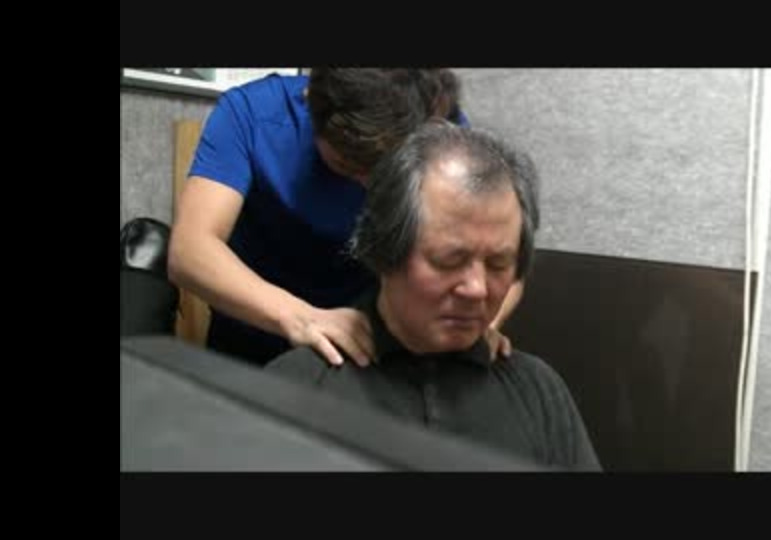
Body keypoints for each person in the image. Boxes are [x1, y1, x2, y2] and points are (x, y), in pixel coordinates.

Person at [265, 122, 601, 471]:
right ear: (384, 252)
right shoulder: (298, 386)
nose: (477, 289)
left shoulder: (538, 394)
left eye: (499, 264)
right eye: (448, 260)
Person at [168, 68, 523, 367]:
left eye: (384, 168)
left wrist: (476, 325)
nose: (369, 186)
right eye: (347, 165)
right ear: (311, 104)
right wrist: (300, 318)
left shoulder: (441, 130)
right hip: (251, 338)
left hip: (373, 354)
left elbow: (506, 252)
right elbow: (190, 251)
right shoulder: (251, 114)